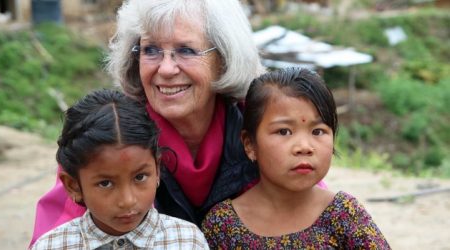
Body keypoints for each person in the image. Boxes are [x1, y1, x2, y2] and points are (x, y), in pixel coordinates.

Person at [30, 0, 326, 245]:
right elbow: (60, 229)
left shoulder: (262, 124)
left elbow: (315, 208)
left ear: (223, 58)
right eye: (150, 50)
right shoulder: (109, 135)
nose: (166, 68)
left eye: (186, 50)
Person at [201, 67, 391, 249]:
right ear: (250, 144)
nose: (304, 147)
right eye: (284, 131)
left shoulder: (343, 214)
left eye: (318, 131)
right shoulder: (223, 225)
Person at [31, 89, 209, 249]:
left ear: (157, 169)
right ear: (73, 186)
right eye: (106, 183)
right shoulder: (52, 245)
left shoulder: (187, 241)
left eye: (140, 177)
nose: (127, 201)